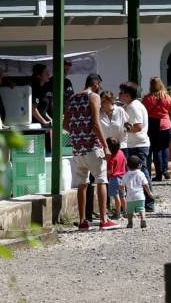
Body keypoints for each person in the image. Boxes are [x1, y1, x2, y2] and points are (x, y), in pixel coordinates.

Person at [65, 73, 118, 231]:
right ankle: (103, 219)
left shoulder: (72, 98)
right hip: (92, 147)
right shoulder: (93, 97)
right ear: (95, 84)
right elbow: (95, 123)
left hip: (77, 148)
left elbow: (65, 124)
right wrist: (105, 146)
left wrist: (78, 132)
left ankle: (82, 221)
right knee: (101, 180)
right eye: (99, 86)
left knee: (82, 183)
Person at [119, 81, 154, 212]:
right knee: (140, 173)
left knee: (142, 173)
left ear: (128, 94)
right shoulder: (131, 105)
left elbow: (138, 126)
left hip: (138, 145)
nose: (120, 95)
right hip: (136, 144)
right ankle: (145, 203)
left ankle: (149, 203)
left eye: (121, 92)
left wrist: (125, 128)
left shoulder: (134, 106)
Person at [142, 77, 171, 181]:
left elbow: (143, 113)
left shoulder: (148, 98)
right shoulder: (167, 97)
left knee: (156, 149)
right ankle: (165, 169)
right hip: (166, 125)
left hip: (154, 125)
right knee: (165, 147)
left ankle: (159, 174)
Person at [122, 154, 153, 228]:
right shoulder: (141, 174)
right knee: (141, 209)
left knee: (130, 211)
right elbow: (145, 184)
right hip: (140, 196)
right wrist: (149, 193)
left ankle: (130, 223)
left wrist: (123, 192)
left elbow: (122, 185)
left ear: (127, 166)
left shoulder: (126, 175)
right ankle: (143, 219)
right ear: (139, 165)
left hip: (130, 196)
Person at [106, 137, 126, 220]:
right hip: (122, 177)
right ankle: (126, 211)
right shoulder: (121, 152)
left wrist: (105, 175)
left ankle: (117, 213)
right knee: (122, 196)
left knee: (116, 196)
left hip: (114, 179)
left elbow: (110, 172)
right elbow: (125, 162)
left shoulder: (111, 159)